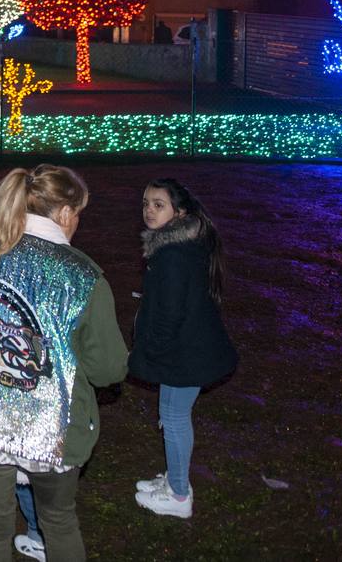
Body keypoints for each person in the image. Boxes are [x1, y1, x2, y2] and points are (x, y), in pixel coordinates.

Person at [0, 164, 127, 562]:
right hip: (53, 427)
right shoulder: (84, 276)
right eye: (78, 213)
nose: (77, 223)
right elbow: (107, 368)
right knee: (58, 520)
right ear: (64, 213)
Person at [130, 179, 238, 520]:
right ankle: (175, 479)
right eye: (146, 203)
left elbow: (169, 313)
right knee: (170, 413)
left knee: (175, 418)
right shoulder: (178, 244)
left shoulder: (174, 254)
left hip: (185, 352)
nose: (149, 210)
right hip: (186, 347)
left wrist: (151, 352)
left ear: (179, 213)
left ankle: (178, 496)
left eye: (158, 204)